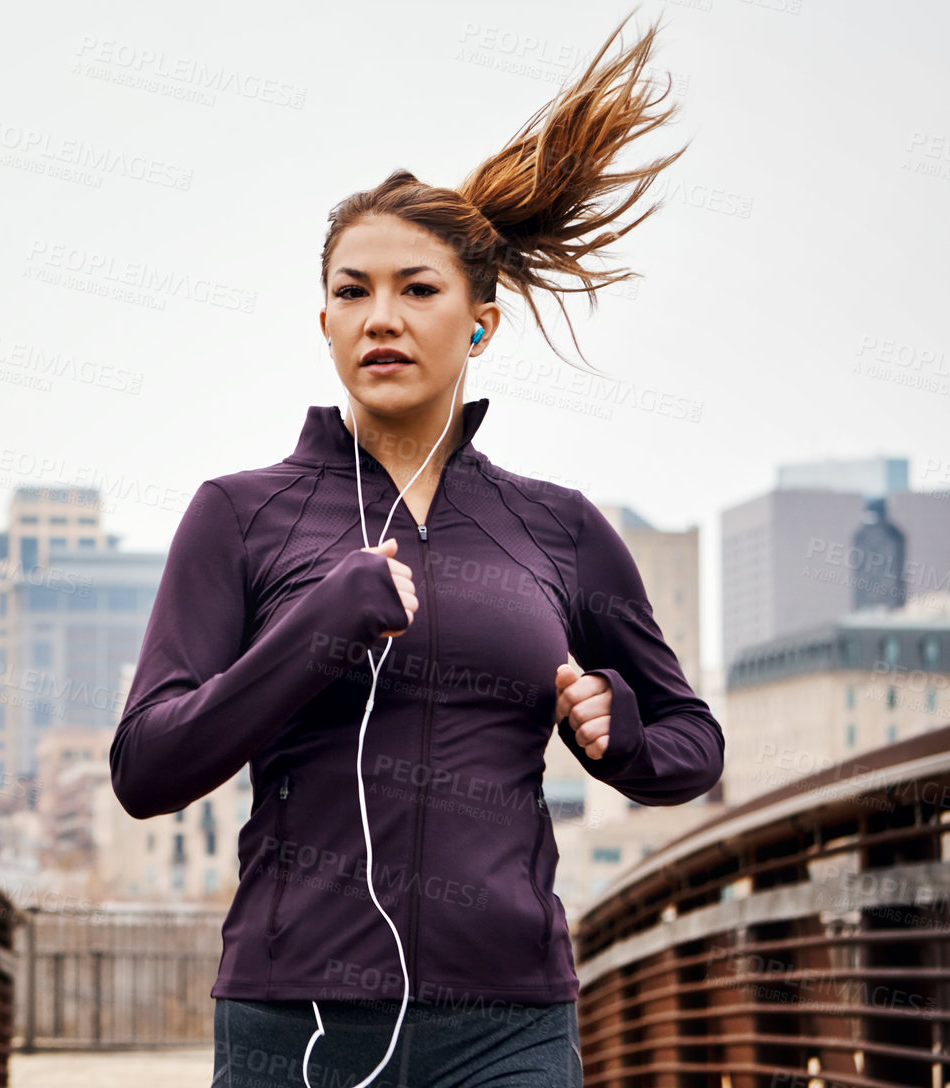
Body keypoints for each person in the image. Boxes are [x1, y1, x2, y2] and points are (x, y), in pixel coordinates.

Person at [107, 11, 724, 1087]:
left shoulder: (558, 525)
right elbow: (147, 766)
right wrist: (314, 628)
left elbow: (693, 741)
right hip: (290, 1016)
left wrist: (620, 735)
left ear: (482, 324)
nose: (380, 316)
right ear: (324, 324)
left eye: (417, 288)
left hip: (510, 1025)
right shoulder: (239, 513)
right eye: (353, 291)